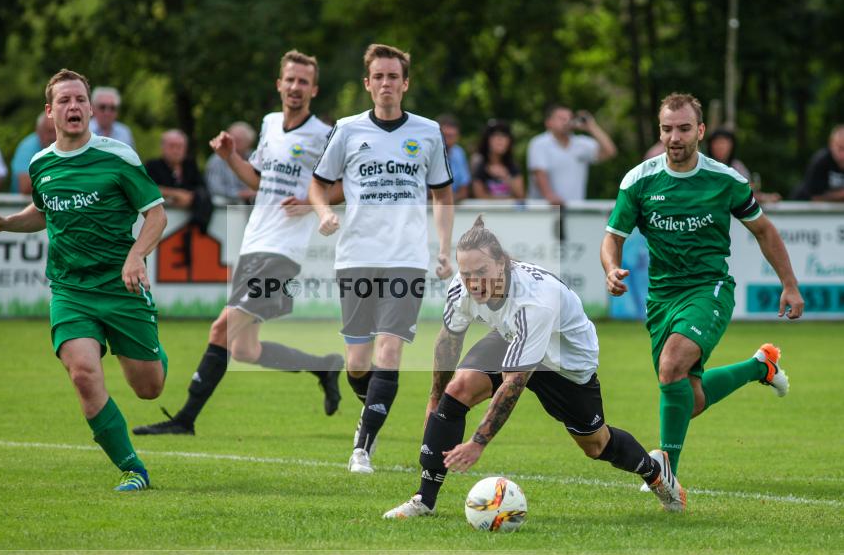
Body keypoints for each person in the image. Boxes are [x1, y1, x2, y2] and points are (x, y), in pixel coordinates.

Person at [383, 216, 685, 519]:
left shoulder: (534, 302)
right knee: (458, 389)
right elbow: (448, 342)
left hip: (566, 363)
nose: (474, 282)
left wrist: (478, 442)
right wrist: (434, 400)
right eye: (466, 274)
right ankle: (425, 499)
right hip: (513, 336)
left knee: (596, 445)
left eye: (481, 272)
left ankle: (655, 470)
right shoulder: (461, 288)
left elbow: (513, 383)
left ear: (502, 263)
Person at [133, 50, 345, 436]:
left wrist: (313, 202)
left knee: (220, 329)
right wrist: (231, 157)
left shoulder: (324, 135)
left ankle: (184, 420)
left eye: (303, 82)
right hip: (255, 245)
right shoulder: (269, 124)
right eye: (290, 79)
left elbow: (346, 186)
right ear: (279, 83)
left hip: (283, 252)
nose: (295, 87)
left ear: (313, 90)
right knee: (245, 349)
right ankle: (324, 366)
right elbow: (258, 181)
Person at [0, 69, 168, 491]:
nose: (74, 107)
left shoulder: (119, 156)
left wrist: (137, 256)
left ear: (91, 109)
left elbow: (156, 213)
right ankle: (133, 468)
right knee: (83, 373)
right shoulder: (41, 163)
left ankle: (150, 345)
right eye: (64, 101)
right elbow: (43, 214)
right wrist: (6, 223)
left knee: (149, 388)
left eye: (80, 99)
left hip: (122, 288)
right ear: (50, 111)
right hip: (70, 290)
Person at [601, 92, 804, 481]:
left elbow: (763, 230)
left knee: (671, 365)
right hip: (661, 298)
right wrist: (611, 268)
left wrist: (789, 284)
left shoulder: (725, 180)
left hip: (708, 289)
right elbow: (613, 237)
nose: (674, 137)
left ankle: (666, 478)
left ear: (701, 131)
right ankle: (760, 367)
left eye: (683, 128)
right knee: (688, 399)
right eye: (666, 129)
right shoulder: (640, 180)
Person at [310, 43, 454, 474]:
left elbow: (442, 194)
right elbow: (318, 185)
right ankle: (371, 404)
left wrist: (444, 248)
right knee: (359, 363)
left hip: (406, 258)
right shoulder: (348, 129)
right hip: (355, 256)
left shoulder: (427, 132)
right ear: (367, 84)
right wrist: (324, 212)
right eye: (379, 77)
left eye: (394, 76)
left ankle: (361, 449)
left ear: (405, 83)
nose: (386, 83)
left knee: (389, 350)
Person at [527, 105, 617, 204]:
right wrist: (550, 196)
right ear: (548, 123)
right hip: (544, 211)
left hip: (575, 211)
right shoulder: (539, 143)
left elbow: (610, 151)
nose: (566, 121)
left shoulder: (582, 143)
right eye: (561, 118)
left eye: (569, 117)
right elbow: (540, 173)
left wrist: (591, 127)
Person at [706, 128, 780, 203]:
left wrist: (765, 197)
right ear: (710, 146)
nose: (720, 147)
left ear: (732, 146)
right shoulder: (704, 166)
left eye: (724, 143)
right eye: (717, 143)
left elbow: (747, 192)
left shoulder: (737, 166)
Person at [471, 119, 525, 200]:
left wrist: (506, 178)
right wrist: (506, 199)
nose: (500, 139)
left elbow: (520, 195)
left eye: (504, 136)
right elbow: (479, 196)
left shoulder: (513, 166)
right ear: (487, 140)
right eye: (495, 135)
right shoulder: (479, 165)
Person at [205, 121, 258, 203]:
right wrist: (240, 194)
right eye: (233, 139)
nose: (234, 143)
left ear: (249, 142)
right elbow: (215, 188)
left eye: (239, 140)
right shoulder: (216, 160)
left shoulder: (255, 157)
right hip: (225, 208)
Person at [793, 125, 844, 201]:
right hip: (801, 207)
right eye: (840, 148)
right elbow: (815, 197)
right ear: (831, 144)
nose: (843, 155)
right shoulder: (820, 161)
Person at [10, 113, 56, 194]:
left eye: (57, 131)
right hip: (21, 205)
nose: (53, 136)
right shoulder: (27, 147)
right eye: (49, 131)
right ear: (38, 131)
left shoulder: (69, 143)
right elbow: (25, 188)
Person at [437, 114, 471, 203]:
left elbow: (464, 189)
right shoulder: (425, 153)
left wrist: (448, 200)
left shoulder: (458, 152)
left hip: (452, 204)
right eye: (446, 136)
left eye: (452, 136)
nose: (448, 140)